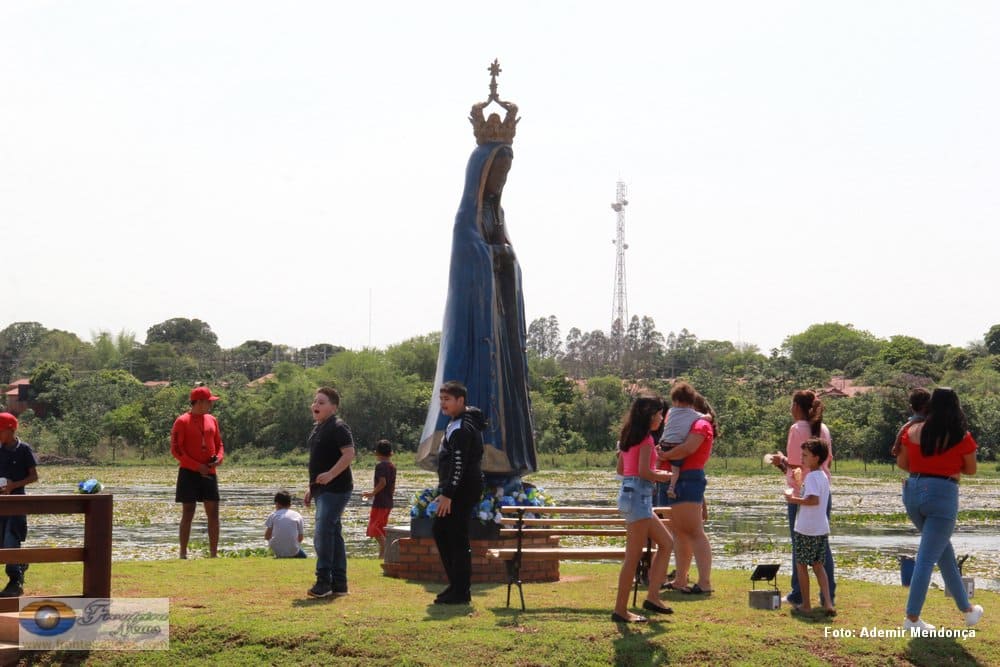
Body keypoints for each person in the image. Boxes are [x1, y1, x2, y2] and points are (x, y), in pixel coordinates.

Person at [417, 66, 535, 480]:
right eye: (496, 170)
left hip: (498, 322)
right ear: (481, 171)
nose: (501, 178)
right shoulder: (466, 218)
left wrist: (505, 258)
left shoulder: (494, 214)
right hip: (477, 322)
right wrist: (490, 257)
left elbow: (507, 259)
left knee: (504, 388)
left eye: (506, 172)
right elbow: (470, 258)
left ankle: (506, 460)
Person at [895, 387, 983, 630]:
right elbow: (971, 469)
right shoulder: (961, 435)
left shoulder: (912, 430)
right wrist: (947, 466)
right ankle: (912, 618)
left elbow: (903, 463)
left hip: (912, 492)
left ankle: (968, 610)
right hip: (942, 495)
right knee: (926, 559)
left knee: (943, 554)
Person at [770, 389, 835, 608]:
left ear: (797, 407)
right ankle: (828, 597)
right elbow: (826, 462)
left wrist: (781, 462)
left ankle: (799, 595)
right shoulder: (823, 429)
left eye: (792, 404)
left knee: (799, 546)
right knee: (821, 546)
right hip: (824, 491)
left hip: (801, 492)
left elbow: (797, 466)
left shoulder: (797, 428)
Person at [613, 395, 675, 623]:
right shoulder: (647, 440)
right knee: (633, 558)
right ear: (649, 415)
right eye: (659, 413)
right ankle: (620, 610)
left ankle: (653, 597)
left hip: (630, 495)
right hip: (639, 497)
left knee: (667, 543)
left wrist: (651, 472)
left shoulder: (628, 437)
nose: (661, 417)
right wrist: (664, 475)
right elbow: (644, 472)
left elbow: (622, 469)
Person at [432, 381, 485, 605]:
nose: (443, 403)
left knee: (455, 536)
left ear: (460, 401)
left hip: (462, 489)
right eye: (441, 399)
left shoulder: (463, 428)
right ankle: (456, 585)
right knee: (441, 531)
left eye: (447, 399)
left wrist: (448, 493)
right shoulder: (455, 422)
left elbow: (458, 463)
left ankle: (461, 590)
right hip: (458, 488)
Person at [659, 390, 715, 595]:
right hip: (671, 479)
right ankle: (680, 579)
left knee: (694, 531)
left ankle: (704, 582)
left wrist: (664, 454)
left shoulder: (701, 425)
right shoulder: (685, 424)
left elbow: (688, 449)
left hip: (688, 478)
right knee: (678, 533)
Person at [303, 387, 355, 598]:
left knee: (323, 532)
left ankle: (323, 581)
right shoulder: (319, 427)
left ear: (333, 407)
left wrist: (331, 474)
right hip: (322, 490)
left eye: (322, 402)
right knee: (333, 534)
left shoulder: (338, 426)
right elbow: (318, 462)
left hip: (336, 488)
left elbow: (349, 454)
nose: (316, 405)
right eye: (315, 401)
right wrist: (311, 488)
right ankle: (339, 584)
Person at [783, 438, 836, 617]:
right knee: (819, 565)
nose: (802, 458)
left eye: (805, 455)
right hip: (820, 529)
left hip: (806, 529)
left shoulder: (812, 476)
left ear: (816, 457)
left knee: (801, 566)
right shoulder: (822, 476)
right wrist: (800, 488)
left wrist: (792, 499)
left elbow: (813, 500)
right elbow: (813, 496)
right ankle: (828, 602)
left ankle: (806, 604)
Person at [171, 386, 224, 559]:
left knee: (213, 512)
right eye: (209, 401)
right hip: (189, 472)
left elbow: (219, 444)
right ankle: (183, 553)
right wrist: (195, 466)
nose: (210, 405)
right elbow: (176, 450)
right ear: (199, 402)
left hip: (209, 470)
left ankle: (214, 554)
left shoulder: (212, 420)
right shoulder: (182, 421)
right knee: (188, 511)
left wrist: (219, 458)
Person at [0, 412, 38, 597]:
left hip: (16, 503)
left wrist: (13, 486)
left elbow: (33, 476)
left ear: (11, 430)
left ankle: (15, 580)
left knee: (11, 539)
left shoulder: (24, 449)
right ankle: (21, 564)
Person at [655, 382, 704, 503]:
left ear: (675, 400)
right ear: (691, 401)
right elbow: (707, 417)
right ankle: (672, 488)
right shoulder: (694, 415)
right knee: (675, 469)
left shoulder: (671, 411)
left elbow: (666, 423)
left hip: (664, 443)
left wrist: (664, 455)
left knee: (657, 462)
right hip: (676, 445)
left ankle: (651, 483)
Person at [361, 439, 397, 558]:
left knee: (374, 528)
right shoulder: (392, 466)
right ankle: (382, 556)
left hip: (380, 503)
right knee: (381, 528)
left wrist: (372, 493)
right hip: (388, 502)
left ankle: (387, 547)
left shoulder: (380, 466)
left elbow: (383, 482)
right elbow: (392, 486)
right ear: (390, 452)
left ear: (377, 453)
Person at [890, 387, 931, 458]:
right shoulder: (923, 418)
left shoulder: (918, 419)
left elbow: (903, 429)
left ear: (911, 407)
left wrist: (896, 446)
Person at [265, 490, 306, 559]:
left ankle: (278, 555)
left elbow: (267, 536)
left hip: (276, 550)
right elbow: (300, 538)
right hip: (293, 551)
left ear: (277, 503)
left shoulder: (273, 515)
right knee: (303, 556)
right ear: (290, 504)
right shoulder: (297, 515)